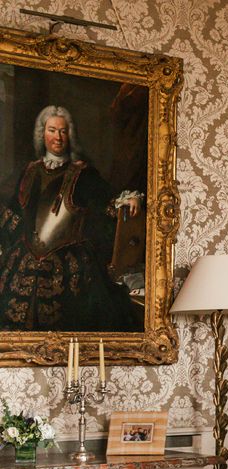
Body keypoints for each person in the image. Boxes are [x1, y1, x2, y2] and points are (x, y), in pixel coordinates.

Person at [0, 105, 143, 331]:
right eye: (52, 130)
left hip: (70, 266)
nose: (58, 137)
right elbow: (11, 213)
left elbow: (109, 200)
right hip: (25, 259)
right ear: (42, 133)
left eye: (63, 131)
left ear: (69, 135)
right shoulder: (28, 171)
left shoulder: (83, 174)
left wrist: (128, 200)